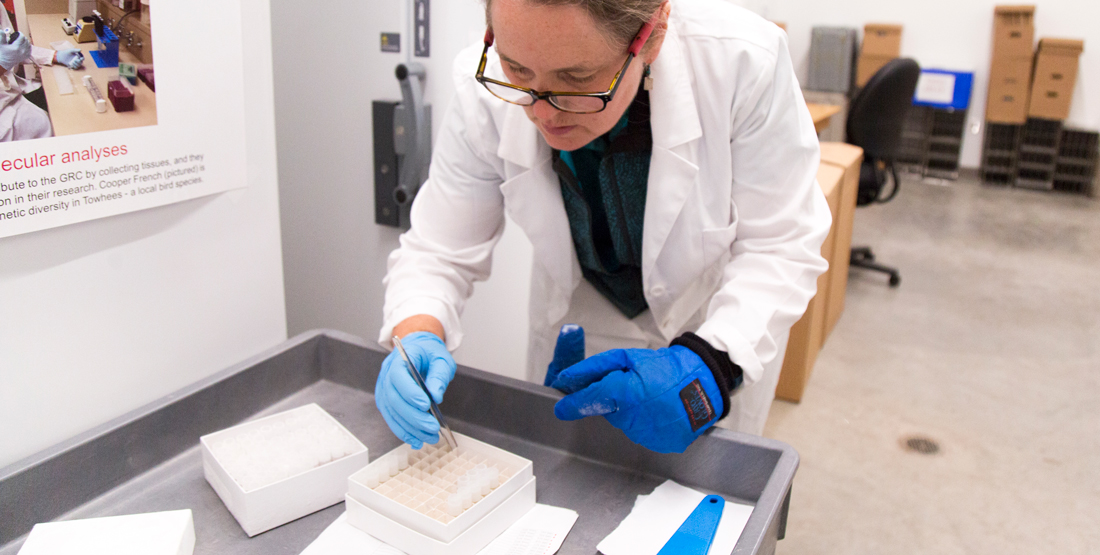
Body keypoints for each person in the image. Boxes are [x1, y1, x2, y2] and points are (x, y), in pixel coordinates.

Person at [374, 0, 831, 453]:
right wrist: (416, 332)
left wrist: (711, 364)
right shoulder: (482, 89)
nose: (543, 113)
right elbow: (440, 247)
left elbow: (781, 242)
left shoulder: (742, 62)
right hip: (579, 316)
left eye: (576, 80)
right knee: (568, 487)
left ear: (651, 36)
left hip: (715, 321)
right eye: (516, 69)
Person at [1, 8, 84, 141]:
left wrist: (54, 55)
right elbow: (6, 57)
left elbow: (11, 47)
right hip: (5, 120)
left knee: (68, 105)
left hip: (13, 91)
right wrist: (3, 64)